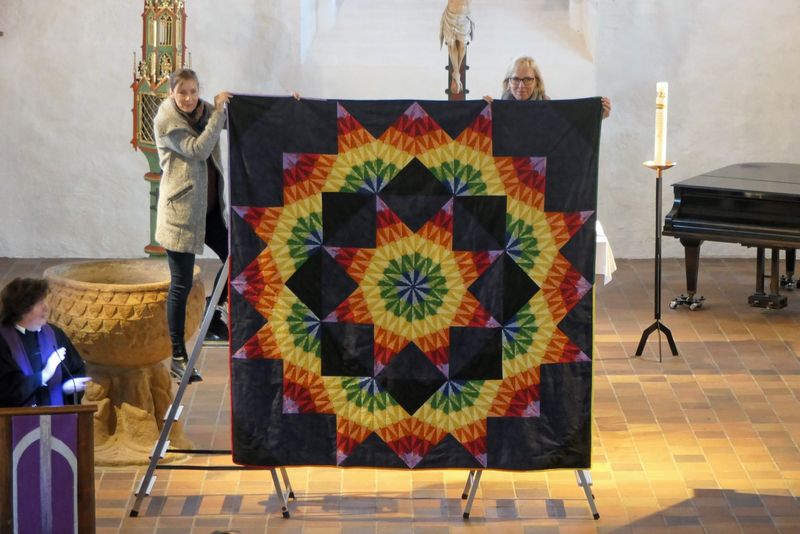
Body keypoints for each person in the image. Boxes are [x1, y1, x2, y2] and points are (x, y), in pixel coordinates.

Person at [154, 68, 232, 384]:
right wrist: (218, 113)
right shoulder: (166, 121)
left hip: (208, 211)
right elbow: (198, 149)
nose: (188, 98)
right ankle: (177, 356)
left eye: (193, 91)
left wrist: (288, 104)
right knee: (181, 284)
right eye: (182, 92)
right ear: (172, 93)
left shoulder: (206, 112)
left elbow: (238, 120)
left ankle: (213, 314)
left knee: (237, 257)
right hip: (181, 215)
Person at [0, 278, 89, 407]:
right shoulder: (3, 340)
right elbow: (7, 391)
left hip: (57, 416)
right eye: (39, 302)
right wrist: (45, 374)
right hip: (15, 417)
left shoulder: (55, 334)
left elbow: (76, 369)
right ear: (21, 308)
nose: (46, 308)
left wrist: (68, 387)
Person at [488, 55, 611, 118]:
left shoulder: (548, 108)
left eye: (528, 79)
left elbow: (573, 126)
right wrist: (483, 110)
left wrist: (598, 115)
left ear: (537, 82)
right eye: (515, 79)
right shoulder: (498, 109)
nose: (521, 85)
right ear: (508, 83)